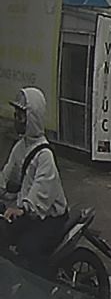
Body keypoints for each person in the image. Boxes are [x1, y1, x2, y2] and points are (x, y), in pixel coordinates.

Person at [1, 88, 68, 272]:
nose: (16, 120)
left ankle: (40, 288)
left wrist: (23, 208)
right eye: (15, 115)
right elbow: (7, 175)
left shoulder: (45, 155)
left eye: (21, 116)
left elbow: (41, 190)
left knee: (27, 248)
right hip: (27, 214)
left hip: (50, 218)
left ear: (33, 117)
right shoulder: (20, 147)